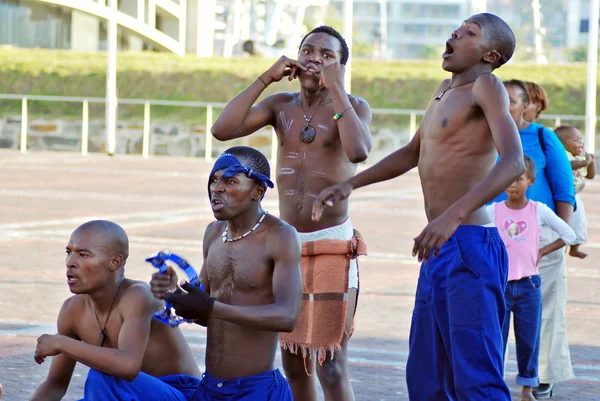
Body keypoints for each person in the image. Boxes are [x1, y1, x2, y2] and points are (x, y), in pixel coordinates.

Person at [313, 13, 524, 401]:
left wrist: (452, 215)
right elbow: (412, 153)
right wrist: (350, 183)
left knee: (475, 377)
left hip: (470, 245)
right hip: (438, 247)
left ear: (490, 55)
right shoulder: (444, 90)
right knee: (426, 375)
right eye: (458, 27)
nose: (456, 32)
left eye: (470, 33)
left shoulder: (487, 87)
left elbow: (514, 161)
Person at [211, 26, 372, 401]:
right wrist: (265, 77)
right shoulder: (280, 105)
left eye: (327, 54)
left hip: (331, 242)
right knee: (294, 361)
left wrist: (336, 88)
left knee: (330, 364)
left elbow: (359, 150)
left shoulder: (351, 105)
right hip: (286, 243)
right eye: (307, 50)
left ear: (341, 67)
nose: (314, 58)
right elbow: (223, 129)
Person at [150, 146, 302, 401]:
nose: (216, 188)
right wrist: (173, 293)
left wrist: (211, 307)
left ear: (258, 191)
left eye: (229, 181)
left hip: (256, 390)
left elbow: (287, 316)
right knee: (113, 383)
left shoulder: (280, 236)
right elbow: (204, 314)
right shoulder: (213, 233)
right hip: (210, 388)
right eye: (213, 180)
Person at [29, 220, 202, 401]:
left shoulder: (138, 296)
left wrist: (61, 343)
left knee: (104, 376)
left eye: (83, 255)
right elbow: (55, 385)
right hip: (125, 395)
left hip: (180, 394)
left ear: (115, 262)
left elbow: (127, 366)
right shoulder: (72, 310)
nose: (70, 262)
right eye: (68, 252)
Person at [498, 80, 575, 399]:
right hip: (496, 234)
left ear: (527, 105)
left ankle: (542, 377)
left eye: (513, 101)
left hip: (538, 232)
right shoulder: (488, 135)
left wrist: (556, 238)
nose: (506, 106)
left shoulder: (544, 137)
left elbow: (564, 189)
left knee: (544, 311)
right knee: (496, 313)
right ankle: (495, 377)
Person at [487, 156, 576, 401]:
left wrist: (542, 251)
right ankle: (495, 387)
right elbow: (475, 230)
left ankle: (527, 389)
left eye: (519, 179)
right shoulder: (493, 210)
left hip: (529, 286)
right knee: (496, 339)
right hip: (500, 286)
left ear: (531, 181)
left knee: (529, 341)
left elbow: (569, 234)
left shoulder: (539, 210)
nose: (512, 184)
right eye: (508, 179)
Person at [555, 124, 596, 259]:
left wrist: (591, 162)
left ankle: (575, 247)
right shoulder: (562, 154)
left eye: (581, 139)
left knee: (579, 221)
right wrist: (585, 162)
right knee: (563, 223)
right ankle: (564, 245)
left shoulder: (580, 157)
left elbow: (590, 176)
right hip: (562, 195)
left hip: (575, 196)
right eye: (576, 140)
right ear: (562, 143)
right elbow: (567, 166)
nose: (581, 143)